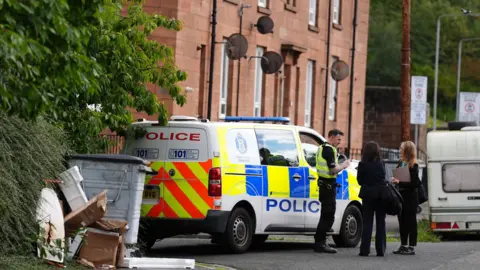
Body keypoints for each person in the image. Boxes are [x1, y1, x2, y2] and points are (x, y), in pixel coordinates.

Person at [313, 129, 350, 253]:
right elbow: (333, 170)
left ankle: (320, 242)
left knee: (326, 215)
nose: (340, 142)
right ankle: (321, 243)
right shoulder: (329, 150)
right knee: (328, 216)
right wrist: (344, 166)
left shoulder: (322, 147)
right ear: (332, 137)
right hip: (327, 186)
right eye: (338, 139)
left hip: (325, 185)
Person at [357, 141, 387, 257]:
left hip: (367, 195)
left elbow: (359, 181)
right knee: (380, 222)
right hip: (380, 195)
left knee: (367, 223)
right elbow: (382, 178)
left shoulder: (362, 164)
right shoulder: (380, 163)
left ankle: (364, 250)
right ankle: (380, 250)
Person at [391, 141, 421, 255]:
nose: (399, 150)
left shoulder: (414, 165)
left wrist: (400, 182)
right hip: (401, 197)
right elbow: (400, 178)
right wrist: (395, 180)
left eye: (401, 148)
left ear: (407, 151)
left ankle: (411, 246)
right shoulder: (401, 163)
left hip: (410, 198)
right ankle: (403, 245)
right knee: (402, 221)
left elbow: (414, 183)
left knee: (411, 222)